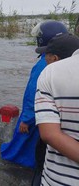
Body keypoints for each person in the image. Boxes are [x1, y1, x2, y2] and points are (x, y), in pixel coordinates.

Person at [0, 21, 68, 168]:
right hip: (56, 119)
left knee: (20, 148)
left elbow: (33, 94)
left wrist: (25, 119)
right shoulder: (66, 60)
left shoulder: (44, 63)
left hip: (37, 119)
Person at [31, 33, 79, 186]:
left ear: (55, 58)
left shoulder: (50, 73)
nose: (45, 59)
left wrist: (25, 120)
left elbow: (50, 135)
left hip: (56, 178)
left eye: (47, 55)